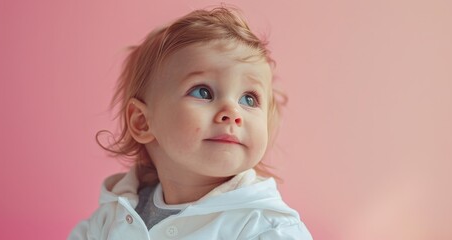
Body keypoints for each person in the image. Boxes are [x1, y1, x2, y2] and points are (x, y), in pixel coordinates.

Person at [69, 6, 312, 239]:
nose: (232, 112)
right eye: (202, 92)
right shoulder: (114, 217)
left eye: (249, 99)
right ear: (143, 122)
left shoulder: (267, 228)